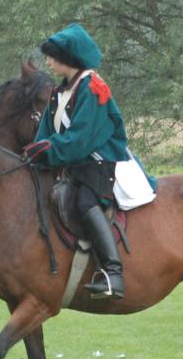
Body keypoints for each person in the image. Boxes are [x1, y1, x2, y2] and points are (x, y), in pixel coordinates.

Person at [24, 23, 130, 299]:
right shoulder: (60, 92)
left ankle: (113, 273)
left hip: (97, 160)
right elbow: (45, 133)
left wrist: (48, 148)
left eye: (52, 56)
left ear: (68, 57)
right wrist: (35, 152)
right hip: (74, 161)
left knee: (85, 202)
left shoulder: (93, 86)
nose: (47, 61)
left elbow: (81, 138)